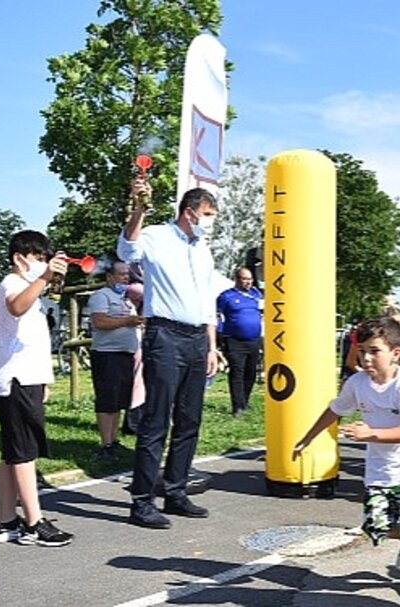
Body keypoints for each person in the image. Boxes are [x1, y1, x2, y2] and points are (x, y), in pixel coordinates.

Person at [294, 317, 400, 597]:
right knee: (376, 527)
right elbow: (335, 410)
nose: (366, 358)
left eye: (374, 351)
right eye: (362, 352)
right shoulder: (358, 383)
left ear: (395, 354)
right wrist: (308, 437)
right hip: (379, 470)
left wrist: (370, 434)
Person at [117, 179, 220, 529]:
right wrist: (140, 208)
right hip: (164, 335)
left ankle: (175, 491)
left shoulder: (202, 248)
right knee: (156, 420)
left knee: (190, 420)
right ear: (189, 213)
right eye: (207, 215)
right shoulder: (157, 235)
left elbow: (207, 300)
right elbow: (127, 249)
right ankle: (142, 501)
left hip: (196, 339)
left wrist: (212, 345)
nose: (210, 222)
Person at [0, 230, 73, 547]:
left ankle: (6, 521)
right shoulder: (13, 284)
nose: (43, 263)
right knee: (24, 453)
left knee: (13, 454)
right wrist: (45, 278)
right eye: (38, 258)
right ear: (19, 258)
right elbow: (15, 307)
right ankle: (34, 524)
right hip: (15, 379)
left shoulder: (30, 289)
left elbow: (35, 342)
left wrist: (45, 380)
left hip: (28, 378)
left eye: (45, 258)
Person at [89, 260, 143, 460]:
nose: (126, 278)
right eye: (121, 274)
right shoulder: (101, 296)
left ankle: (114, 439)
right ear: (110, 277)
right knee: (107, 401)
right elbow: (100, 321)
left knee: (119, 401)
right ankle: (105, 444)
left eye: (127, 275)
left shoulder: (126, 300)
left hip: (125, 355)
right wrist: (128, 321)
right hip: (107, 355)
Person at [216, 267, 263, 417]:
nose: (248, 282)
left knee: (251, 373)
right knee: (237, 372)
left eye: (250, 279)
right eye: (245, 279)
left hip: (254, 340)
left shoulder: (255, 295)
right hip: (234, 340)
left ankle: (245, 402)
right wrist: (221, 335)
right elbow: (217, 315)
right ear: (237, 279)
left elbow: (262, 311)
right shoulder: (226, 296)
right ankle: (237, 406)